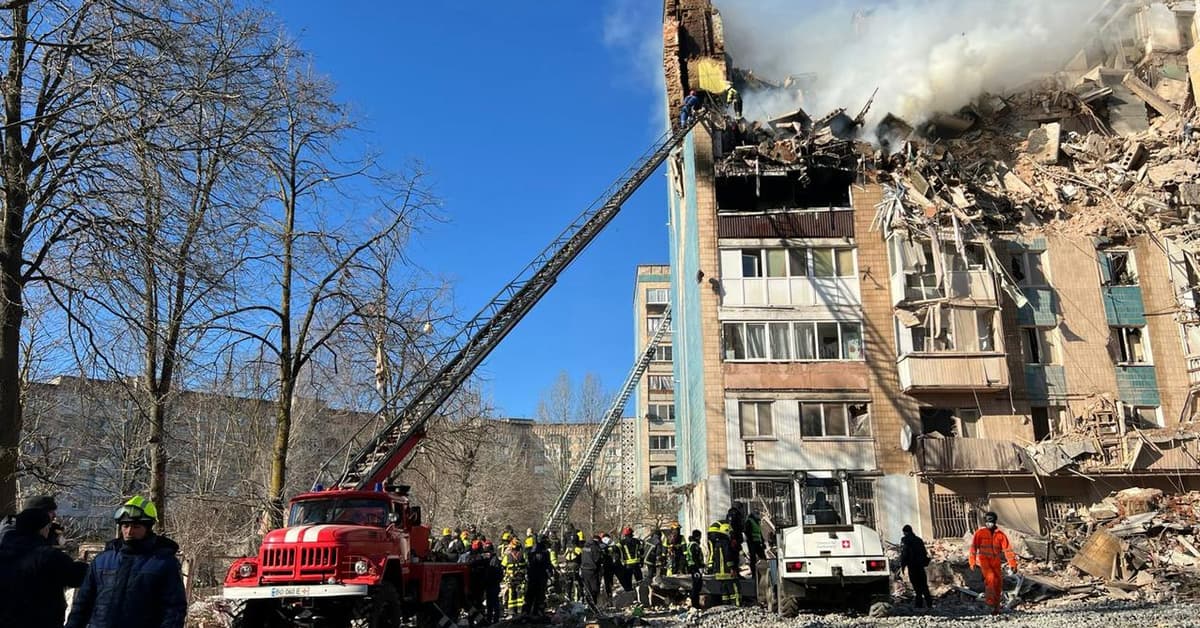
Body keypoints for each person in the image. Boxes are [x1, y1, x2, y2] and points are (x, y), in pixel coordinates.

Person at [66, 495, 186, 628]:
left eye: (136, 526)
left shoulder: (163, 563)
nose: (129, 531)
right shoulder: (102, 560)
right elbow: (82, 604)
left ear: (148, 528)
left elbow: (174, 609)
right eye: (126, 525)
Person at [0, 507, 87, 628]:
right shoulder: (47, 556)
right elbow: (77, 576)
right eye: (48, 527)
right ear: (42, 529)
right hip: (41, 621)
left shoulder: (4, 551)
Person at [969, 512, 1017, 615]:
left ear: (994, 522)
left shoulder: (1000, 535)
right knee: (991, 579)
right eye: (987, 521)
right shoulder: (979, 533)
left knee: (998, 582)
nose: (988, 523)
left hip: (996, 560)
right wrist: (972, 561)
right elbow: (973, 548)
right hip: (984, 560)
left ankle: (996, 608)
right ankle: (989, 603)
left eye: (990, 521)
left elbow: (1007, 550)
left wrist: (1012, 564)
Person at [899, 524, 933, 608]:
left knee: (916, 586)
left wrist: (903, 565)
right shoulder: (919, 540)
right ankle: (929, 603)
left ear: (905, 532)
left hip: (912, 566)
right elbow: (924, 553)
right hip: (920, 566)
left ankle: (919, 604)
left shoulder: (905, 541)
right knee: (924, 585)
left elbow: (904, 554)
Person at [706, 521, 739, 606]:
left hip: (720, 573)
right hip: (728, 572)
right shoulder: (726, 543)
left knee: (724, 592)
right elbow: (728, 556)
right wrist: (732, 567)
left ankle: (726, 605)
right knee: (734, 590)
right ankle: (736, 605)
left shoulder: (717, 544)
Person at [523, 535, 554, 616]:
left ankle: (527, 611)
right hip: (541, 576)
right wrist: (551, 574)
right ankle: (537, 611)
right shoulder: (545, 552)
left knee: (530, 594)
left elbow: (528, 563)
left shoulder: (531, 551)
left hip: (532, 576)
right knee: (540, 595)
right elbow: (547, 564)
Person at [501, 537, 527, 617]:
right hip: (520, 578)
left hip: (511, 578)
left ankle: (512, 611)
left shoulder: (507, 556)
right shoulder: (523, 554)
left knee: (512, 594)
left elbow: (503, 566)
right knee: (520, 594)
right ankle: (520, 610)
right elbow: (527, 564)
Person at [579, 534, 604, 608]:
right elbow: (597, 559)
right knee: (594, 588)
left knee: (587, 588)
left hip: (584, 569)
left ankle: (588, 604)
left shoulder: (585, 546)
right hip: (592, 570)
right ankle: (594, 604)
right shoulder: (595, 547)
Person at [483, 541, 504, 624]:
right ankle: (489, 618)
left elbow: (498, 574)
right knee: (489, 604)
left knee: (494, 603)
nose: (486, 554)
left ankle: (495, 619)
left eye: (488, 552)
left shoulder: (494, 561)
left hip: (494, 584)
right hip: (489, 584)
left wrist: (494, 580)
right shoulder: (487, 560)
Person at [685, 529, 705, 610]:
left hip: (692, 566)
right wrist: (699, 567)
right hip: (694, 567)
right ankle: (695, 605)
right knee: (697, 586)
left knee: (696, 585)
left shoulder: (690, 544)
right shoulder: (694, 545)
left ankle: (695, 603)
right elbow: (695, 557)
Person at [745, 511, 766, 578]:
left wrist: (763, 542)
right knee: (753, 558)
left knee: (763, 557)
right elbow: (747, 532)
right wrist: (751, 541)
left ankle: (763, 571)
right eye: (757, 514)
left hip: (757, 542)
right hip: (752, 542)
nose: (759, 516)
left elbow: (759, 533)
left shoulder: (756, 522)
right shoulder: (749, 521)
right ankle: (754, 574)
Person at [600, 533, 618, 599]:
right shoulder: (611, 541)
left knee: (606, 580)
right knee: (610, 579)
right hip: (611, 563)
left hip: (604, 563)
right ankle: (610, 593)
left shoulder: (601, 543)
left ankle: (607, 594)